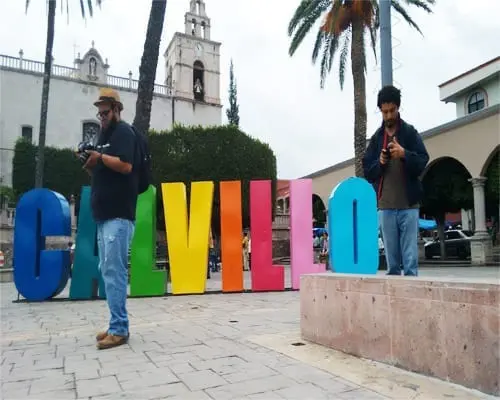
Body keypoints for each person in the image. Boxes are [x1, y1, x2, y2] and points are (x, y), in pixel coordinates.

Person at [82, 87, 138, 349]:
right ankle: (116, 322)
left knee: (115, 271)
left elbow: (126, 165)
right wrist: (89, 162)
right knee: (108, 270)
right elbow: (100, 172)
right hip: (104, 215)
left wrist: (101, 157)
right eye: (99, 113)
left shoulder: (124, 133)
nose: (102, 117)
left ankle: (119, 329)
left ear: (116, 109)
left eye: (105, 112)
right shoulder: (104, 137)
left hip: (118, 214)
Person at [363, 85, 429, 276]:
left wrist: (404, 154)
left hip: (409, 205)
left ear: (398, 107)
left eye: (392, 110)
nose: (389, 115)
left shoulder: (409, 133)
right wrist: (380, 162)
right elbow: (368, 171)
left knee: (410, 264)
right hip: (385, 207)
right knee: (391, 265)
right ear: (380, 110)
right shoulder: (377, 139)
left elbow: (423, 160)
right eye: (385, 112)